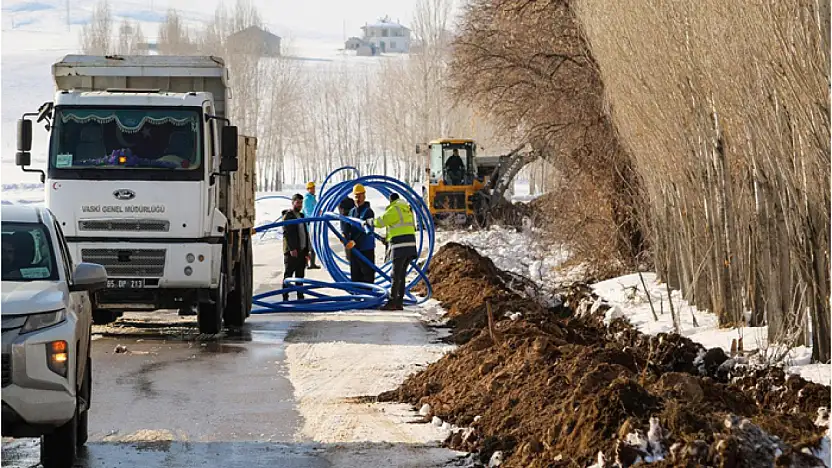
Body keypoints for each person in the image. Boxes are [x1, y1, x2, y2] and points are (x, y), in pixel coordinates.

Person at [370, 193, 417, 311]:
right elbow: (402, 227)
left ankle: (392, 302)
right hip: (410, 246)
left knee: (395, 275)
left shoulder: (395, 209)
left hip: (400, 246)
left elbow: (381, 221)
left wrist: (370, 222)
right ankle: (399, 302)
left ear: (391, 201)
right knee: (401, 275)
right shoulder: (407, 210)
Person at [343, 184, 376, 284]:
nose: (358, 198)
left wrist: (354, 241)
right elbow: (347, 226)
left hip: (366, 248)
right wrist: (344, 235)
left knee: (367, 275)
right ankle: (357, 296)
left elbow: (365, 230)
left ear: (364, 196)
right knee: (355, 275)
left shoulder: (368, 212)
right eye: (356, 196)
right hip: (355, 249)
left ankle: (369, 298)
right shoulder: (352, 212)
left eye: (360, 196)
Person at [282, 194, 311, 301]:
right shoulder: (288, 216)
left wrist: (307, 250)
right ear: (293, 202)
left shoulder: (302, 216)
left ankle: (300, 296)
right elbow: (287, 234)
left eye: (301, 203)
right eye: (298, 202)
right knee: (288, 275)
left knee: (300, 275)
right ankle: (285, 297)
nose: (300, 205)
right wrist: (292, 248)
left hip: (302, 250)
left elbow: (305, 233)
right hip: (292, 251)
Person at [302, 181, 321, 269]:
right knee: (309, 245)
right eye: (311, 188)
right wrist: (316, 214)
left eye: (313, 188)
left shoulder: (313, 199)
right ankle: (306, 263)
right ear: (308, 189)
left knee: (313, 245)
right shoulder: (307, 199)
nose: (313, 189)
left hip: (314, 224)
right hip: (309, 225)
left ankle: (312, 263)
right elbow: (308, 212)